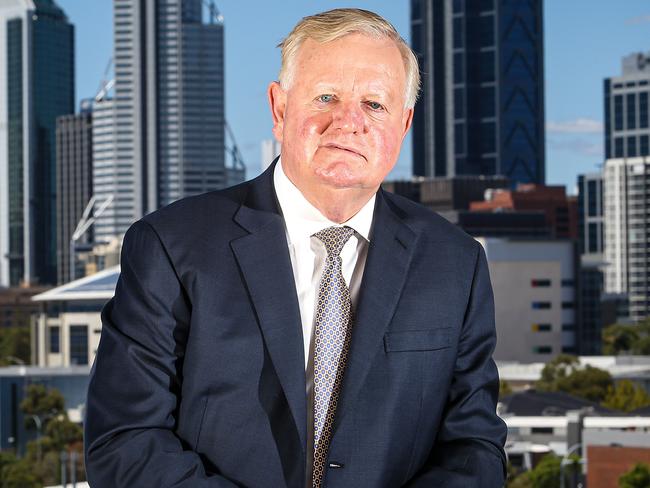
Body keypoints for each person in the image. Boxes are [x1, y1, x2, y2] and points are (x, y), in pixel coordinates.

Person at [84, 8, 507, 488]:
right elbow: (124, 440)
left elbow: (473, 448)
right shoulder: (172, 246)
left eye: (375, 104)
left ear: (404, 124)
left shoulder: (455, 262)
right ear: (279, 109)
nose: (349, 123)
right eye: (326, 96)